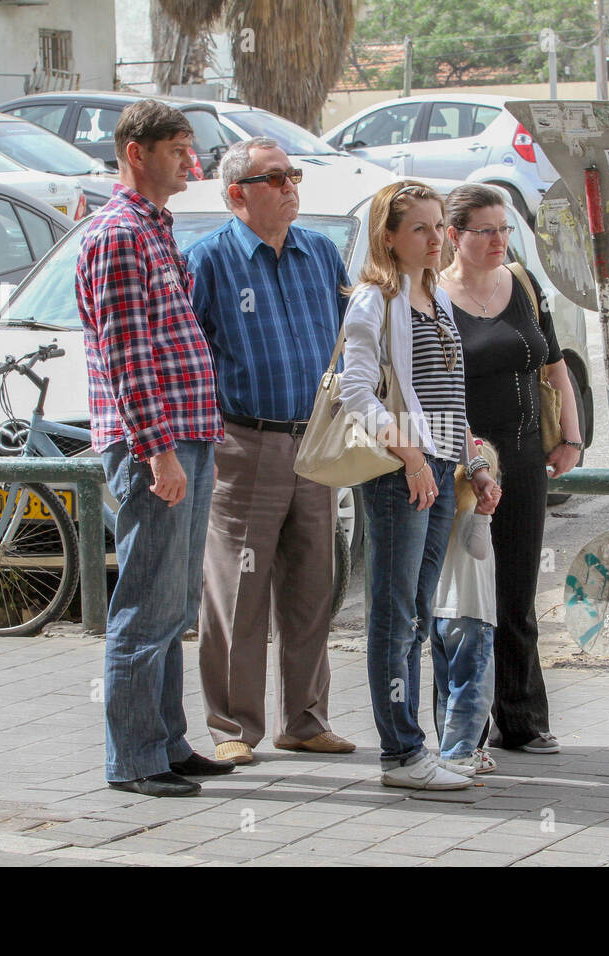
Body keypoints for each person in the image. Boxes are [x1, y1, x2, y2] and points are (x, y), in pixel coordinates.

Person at [76, 99, 235, 797]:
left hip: (183, 438)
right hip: (155, 445)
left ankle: (166, 743)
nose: (188, 161)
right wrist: (158, 451)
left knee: (172, 604)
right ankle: (136, 758)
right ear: (136, 152)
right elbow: (128, 355)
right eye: (176, 148)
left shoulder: (154, 228)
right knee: (145, 604)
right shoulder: (117, 233)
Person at [185, 137, 356, 765]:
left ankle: (306, 721)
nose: (290, 188)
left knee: (313, 587)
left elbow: (349, 347)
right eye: (275, 179)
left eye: (293, 176)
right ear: (237, 195)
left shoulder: (322, 255)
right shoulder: (206, 262)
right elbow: (185, 360)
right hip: (244, 444)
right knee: (238, 593)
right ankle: (234, 727)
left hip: (316, 443)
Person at [339, 180, 498, 790]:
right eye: (420, 229)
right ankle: (401, 754)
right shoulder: (375, 299)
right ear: (389, 237)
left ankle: (410, 749)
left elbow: (448, 400)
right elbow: (356, 391)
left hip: (436, 470)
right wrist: (409, 456)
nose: (435, 239)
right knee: (395, 611)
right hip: (400, 474)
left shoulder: (436, 298)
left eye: (439, 227)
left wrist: (472, 463)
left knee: (415, 613)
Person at [438, 183, 583, 755]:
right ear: (454, 236)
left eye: (504, 230)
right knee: (465, 596)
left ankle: (521, 719)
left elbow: (554, 366)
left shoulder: (522, 284)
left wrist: (571, 436)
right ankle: (462, 726)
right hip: (461, 462)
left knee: (517, 591)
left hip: (523, 457)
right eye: (486, 231)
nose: (500, 240)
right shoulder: (433, 295)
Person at [431, 438, 501, 775]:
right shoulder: (473, 513)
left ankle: (453, 747)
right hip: (472, 613)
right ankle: (459, 754)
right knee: (473, 690)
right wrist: (485, 517)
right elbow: (478, 550)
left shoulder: (440, 514)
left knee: (448, 689)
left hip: (440, 614)